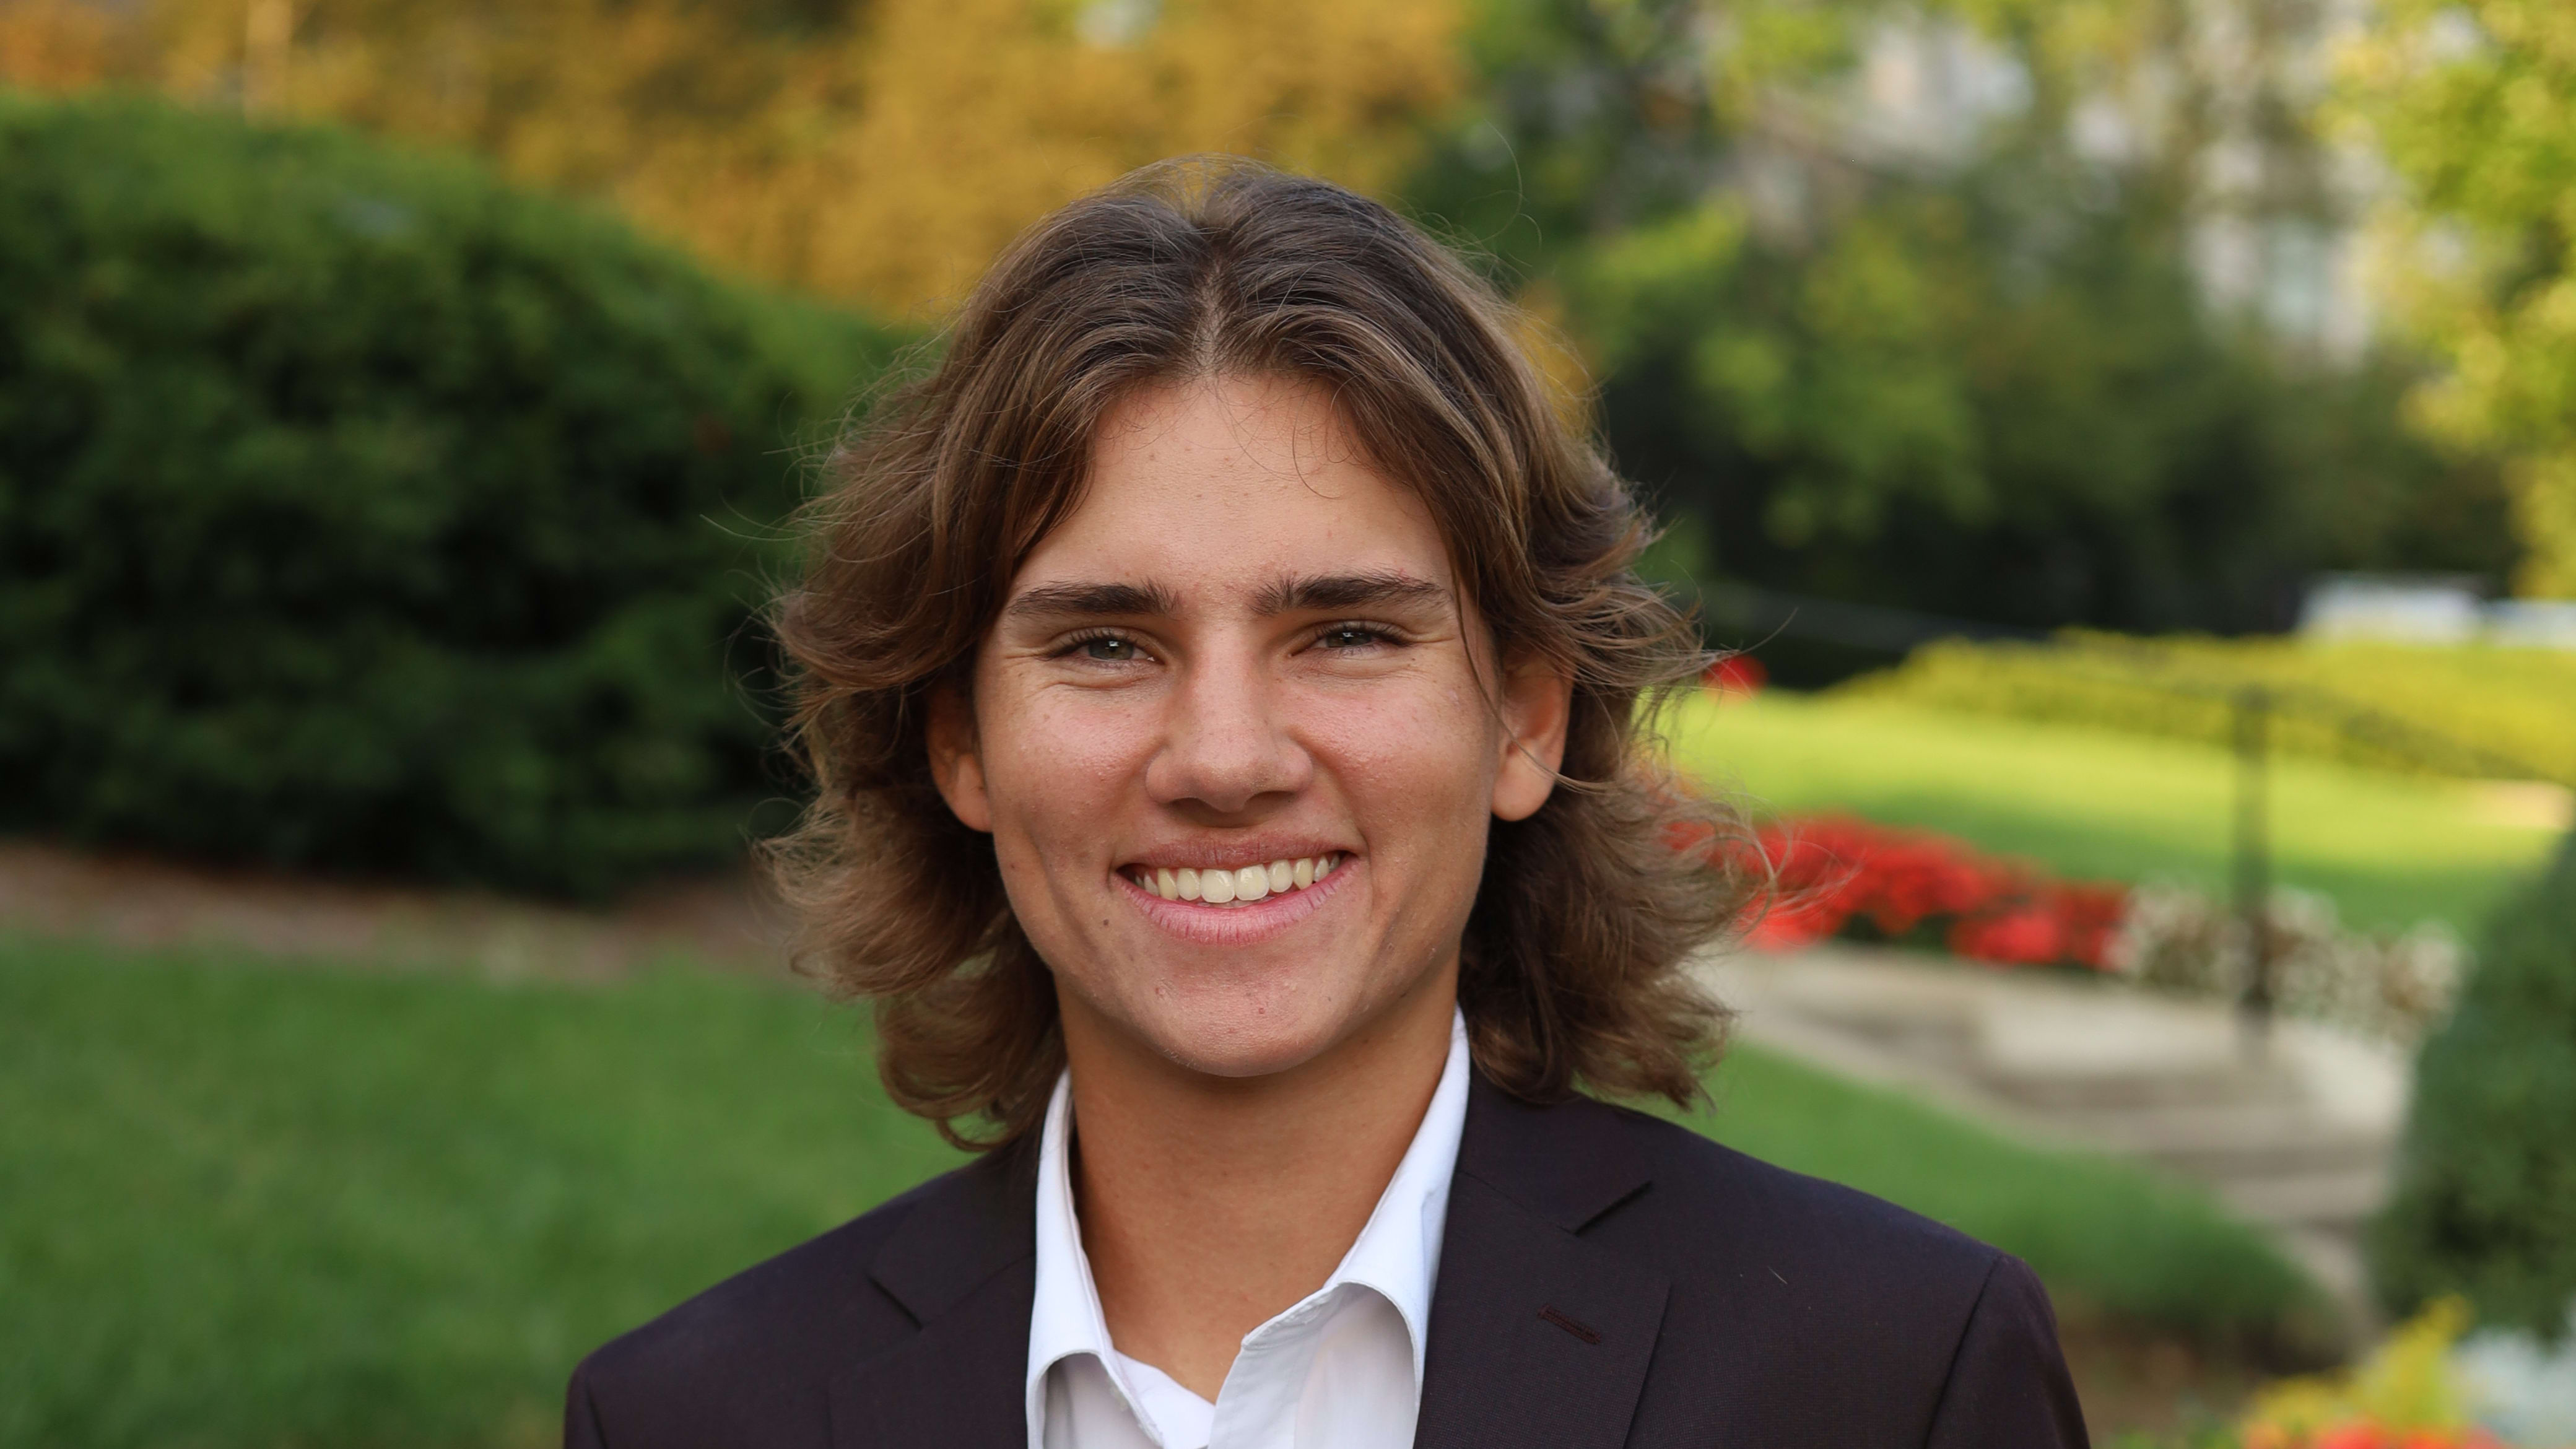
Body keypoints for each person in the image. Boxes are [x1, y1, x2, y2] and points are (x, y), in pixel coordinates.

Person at [563, 159, 2090, 1449]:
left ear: (1526, 717)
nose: (1224, 758)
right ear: (958, 740)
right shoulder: (700, 1416)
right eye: (1106, 643)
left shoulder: (1888, 1380)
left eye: (1347, 633)